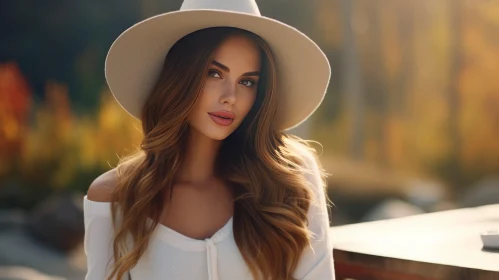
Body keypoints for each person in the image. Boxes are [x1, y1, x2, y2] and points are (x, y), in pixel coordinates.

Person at [83, 0, 334, 279]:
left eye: (247, 81)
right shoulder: (115, 196)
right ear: (181, 77)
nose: (231, 96)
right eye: (214, 73)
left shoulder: (290, 179)